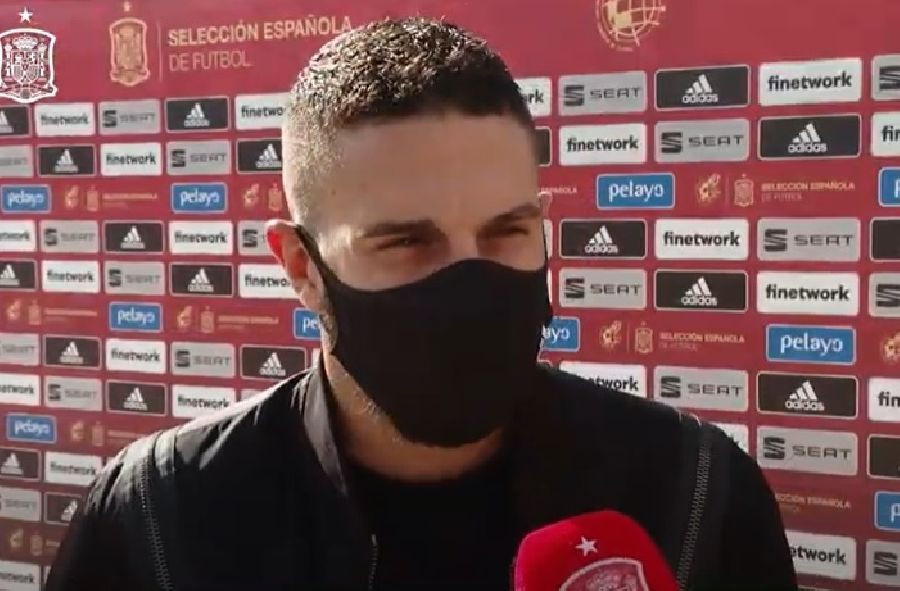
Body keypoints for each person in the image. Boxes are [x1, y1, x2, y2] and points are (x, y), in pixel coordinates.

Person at [46, 17, 796, 591]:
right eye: (406, 242)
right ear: (302, 266)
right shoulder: (158, 520)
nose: (467, 283)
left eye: (506, 231)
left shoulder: (693, 497)